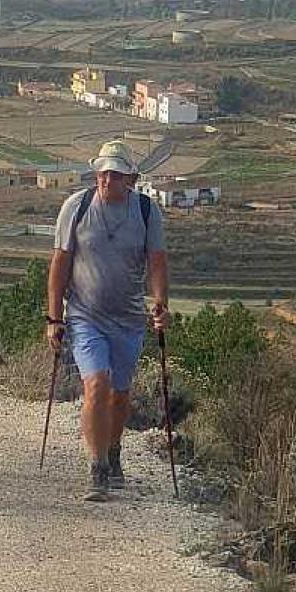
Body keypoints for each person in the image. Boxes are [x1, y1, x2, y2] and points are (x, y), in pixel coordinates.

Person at [46, 140, 170, 501]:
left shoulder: (147, 212)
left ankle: (113, 452)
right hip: (85, 316)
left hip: (129, 319)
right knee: (96, 385)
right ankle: (97, 466)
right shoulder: (77, 207)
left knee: (120, 395)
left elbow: (157, 262)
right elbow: (59, 264)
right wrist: (54, 317)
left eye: (114, 173)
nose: (106, 179)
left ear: (130, 178)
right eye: (102, 172)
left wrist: (160, 304)